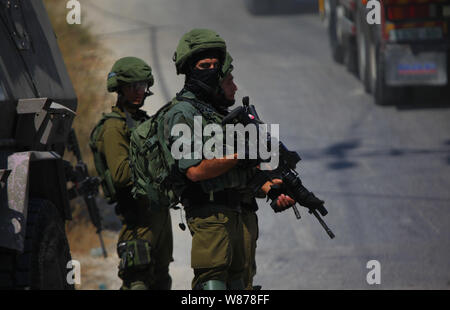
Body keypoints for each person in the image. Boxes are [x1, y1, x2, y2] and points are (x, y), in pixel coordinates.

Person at [161, 29, 294, 290]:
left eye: (214, 65)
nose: (211, 70)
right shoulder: (181, 113)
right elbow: (195, 171)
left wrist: (271, 188)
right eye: (204, 65)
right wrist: (241, 154)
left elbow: (241, 171)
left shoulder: (217, 113)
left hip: (239, 214)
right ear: (189, 69)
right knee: (212, 289)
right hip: (210, 217)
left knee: (242, 287)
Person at [92, 57, 173, 290]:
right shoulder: (114, 127)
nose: (138, 91)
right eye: (132, 86)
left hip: (160, 221)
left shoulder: (143, 122)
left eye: (142, 86)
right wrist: (158, 162)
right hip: (138, 223)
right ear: (120, 89)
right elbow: (120, 174)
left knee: (161, 281)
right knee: (137, 284)